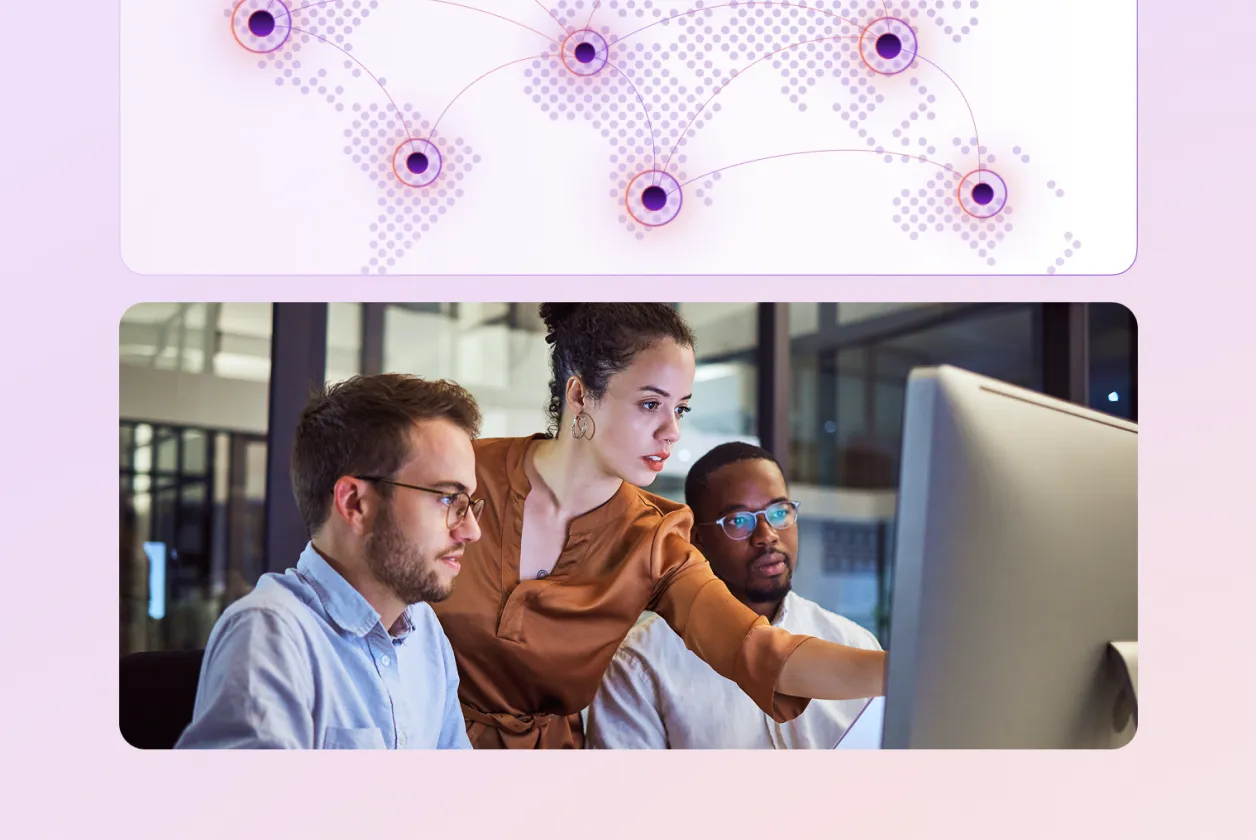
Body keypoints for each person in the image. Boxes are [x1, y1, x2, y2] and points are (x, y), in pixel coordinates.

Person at [429, 303, 886, 748]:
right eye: (651, 404)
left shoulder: (656, 540)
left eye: (680, 409)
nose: (672, 431)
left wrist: (904, 671)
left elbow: (762, 653)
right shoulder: (461, 473)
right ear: (580, 395)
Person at [176, 374, 482, 749]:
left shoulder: (425, 632)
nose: (471, 531)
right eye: (449, 499)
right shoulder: (270, 637)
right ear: (355, 503)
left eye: (469, 504)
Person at [585, 442, 883, 748]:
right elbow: (626, 793)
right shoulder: (639, 663)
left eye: (779, 512)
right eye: (739, 520)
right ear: (696, 539)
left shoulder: (853, 643)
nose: (767, 535)